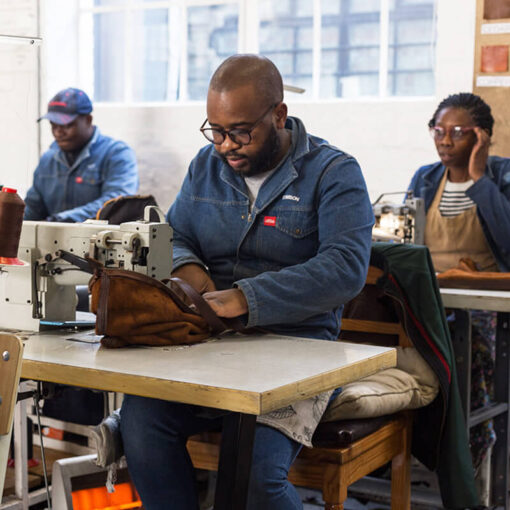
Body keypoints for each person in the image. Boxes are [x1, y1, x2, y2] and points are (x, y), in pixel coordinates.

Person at [120, 54, 374, 510]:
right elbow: (175, 236)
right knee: (140, 422)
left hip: (299, 353)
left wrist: (244, 298)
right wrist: (191, 275)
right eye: (215, 131)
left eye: (239, 132)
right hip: (212, 345)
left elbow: (345, 268)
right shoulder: (206, 166)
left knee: (256, 478)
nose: (225, 146)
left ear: (279, 115)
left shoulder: (334, 173)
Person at [407, 92, 510, 480]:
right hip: (428, 294)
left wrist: (480, 178)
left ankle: (470, 455)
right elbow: (405, 239)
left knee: (467, 351)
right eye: (438, 131)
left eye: (458, 133)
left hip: (485, 300)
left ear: (481, 137)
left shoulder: (502, 175)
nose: (445, 141)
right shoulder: (425, 178)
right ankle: (405, 448)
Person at [24, 87, 139, 222]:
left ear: (88, 120)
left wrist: (63, 220)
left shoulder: (117, 154)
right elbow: (32, 208)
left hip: (100, 241)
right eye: (53, 125)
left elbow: (116, 203)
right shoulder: (48, 160)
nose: (58, 133)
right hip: (54, 240)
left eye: (66, 125)